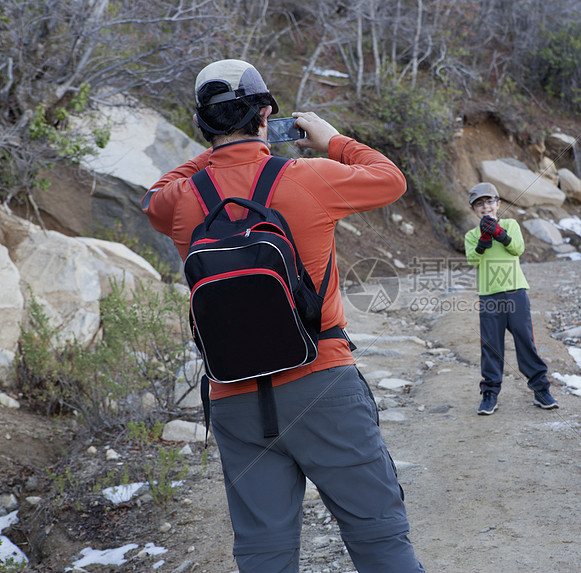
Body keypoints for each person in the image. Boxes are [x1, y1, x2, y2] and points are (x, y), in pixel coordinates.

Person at [141, 59, 424, 573]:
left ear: (203, 125)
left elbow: (153, 198)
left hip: (234, 398)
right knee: (377, 534)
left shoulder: (183, 199)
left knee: (263, 554)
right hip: (322, 383)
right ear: (266, 112)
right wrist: (333, 139)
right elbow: (390, 180)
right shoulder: (307, 177)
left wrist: (217, 153)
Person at [464, 182, 560, 415]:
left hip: (515, 291)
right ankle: (490, 393)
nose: (485, 207)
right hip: (489, 295)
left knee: (525, 340)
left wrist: (499, 233)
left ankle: (540, 390)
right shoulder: (471, 235)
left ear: (498, 204)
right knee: (491, 346)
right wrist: (483, 242)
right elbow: (472, 260)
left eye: (489, 202)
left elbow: (518, 249)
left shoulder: (510, 224)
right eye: (479, 204)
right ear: (473, 209)